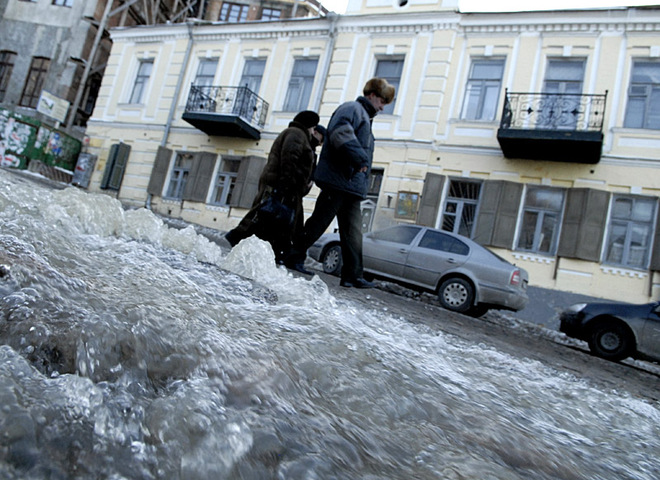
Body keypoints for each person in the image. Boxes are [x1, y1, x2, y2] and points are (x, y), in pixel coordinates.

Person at [285, 78, 395, 287]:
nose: (382, 108)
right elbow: (339, 134)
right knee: (319, 222)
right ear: (371, 95)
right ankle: (293, 255)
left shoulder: (363, 115)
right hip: (339, 181)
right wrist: (360, 159)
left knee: (353, 231)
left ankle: (352, 275)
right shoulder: (352, 109)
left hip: (349, 184)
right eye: (382, 101)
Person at [224, 110, 320, 263]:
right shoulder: (296, 134)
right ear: (308, 124)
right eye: (313, 127)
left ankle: (263, 249)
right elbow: (289, 159)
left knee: (268, 216)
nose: (314, 131)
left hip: (283, 185)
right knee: (265, 215)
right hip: (281, 185)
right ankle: (239, 237)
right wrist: (286, 186)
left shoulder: (296, 134)